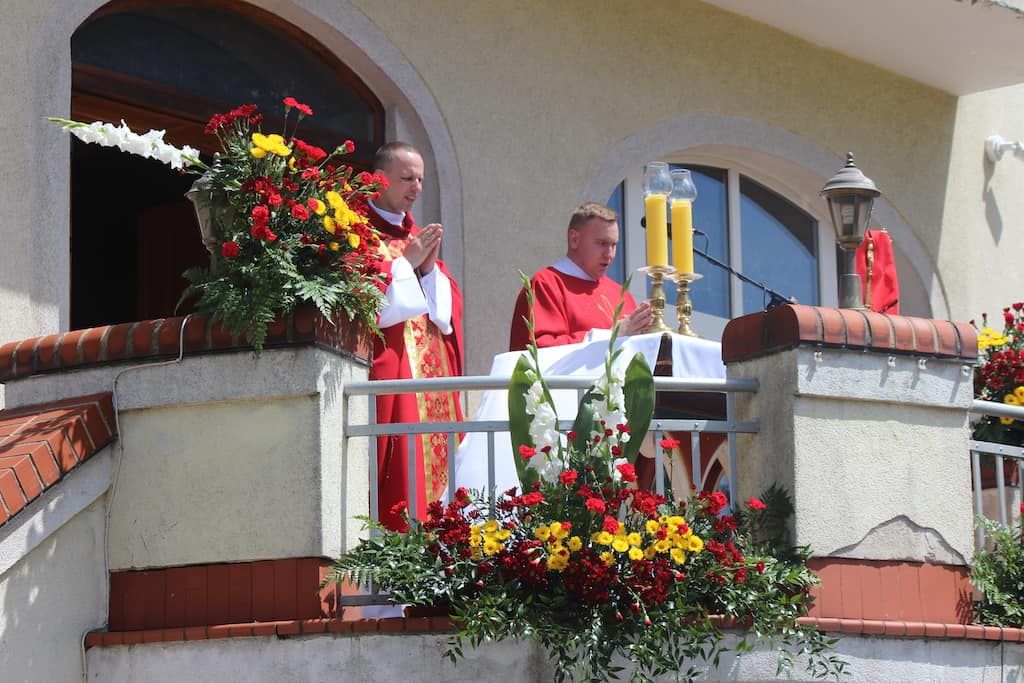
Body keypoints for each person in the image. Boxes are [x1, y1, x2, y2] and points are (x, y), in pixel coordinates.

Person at [366, 141, 464, 531]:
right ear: (380, 179)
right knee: (404, 468)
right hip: (399, 376)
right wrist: (406, 263)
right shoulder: (357, 233)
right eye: (407, 178)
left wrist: (427, 270)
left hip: (431, 380)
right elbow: (365, 300)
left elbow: (447, 314)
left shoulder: (418, 236)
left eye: (420, 180)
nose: (417, 188)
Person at [508, 202, 652, 351]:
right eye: (602, 243)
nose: (609, 254)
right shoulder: (546, 284)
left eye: (614, 245)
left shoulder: (621, 295)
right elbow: (541, 350)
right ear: (574, 239)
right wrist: (613, 335)